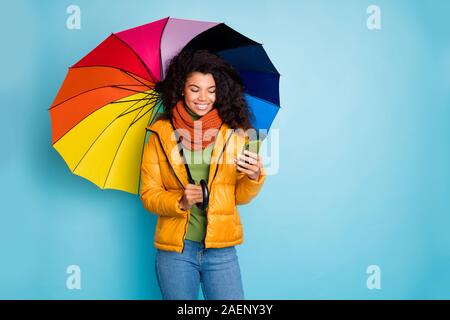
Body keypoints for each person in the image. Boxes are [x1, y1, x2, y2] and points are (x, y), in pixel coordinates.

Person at [140, 49, 266, 300]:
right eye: (195, 89)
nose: (203, 97)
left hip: (221, 249)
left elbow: (238, 197)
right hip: (176, 251)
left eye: (211, 89)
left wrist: (253, 177)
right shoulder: (160, 134)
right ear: (181, 89)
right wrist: (180, 201)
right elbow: (149, 195)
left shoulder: (238, 133)